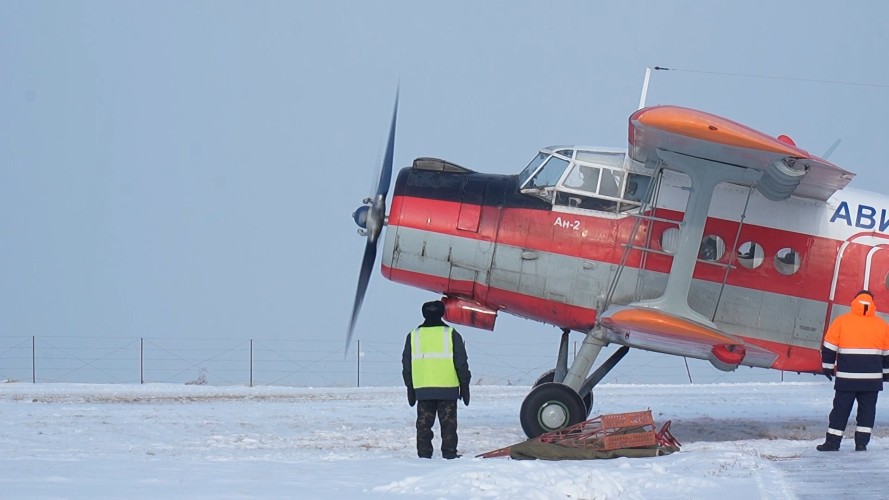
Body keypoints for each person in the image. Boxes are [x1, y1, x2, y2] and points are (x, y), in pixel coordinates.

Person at [817, 290, 889, 451]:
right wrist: (885, 374)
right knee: (867, 412)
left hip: (846, 379)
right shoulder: (882, 326)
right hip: (871, 381)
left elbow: (828, 349)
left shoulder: (841, 322)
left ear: (854, 301)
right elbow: (887, 356)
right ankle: (861, 443)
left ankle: (832, 443)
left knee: (840, 410)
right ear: (872, 303)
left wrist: (828, 368)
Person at [402, 300, 471, 459]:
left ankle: (424, 455)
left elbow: (407, 365)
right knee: (449, 425)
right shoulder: (451, 334)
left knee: (423, 425)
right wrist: (465, 385)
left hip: (423, 390)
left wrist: (410, 387)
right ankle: (449, 454)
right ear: (442, 313)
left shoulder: (413, 336)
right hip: (448, 389)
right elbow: (461, 363)